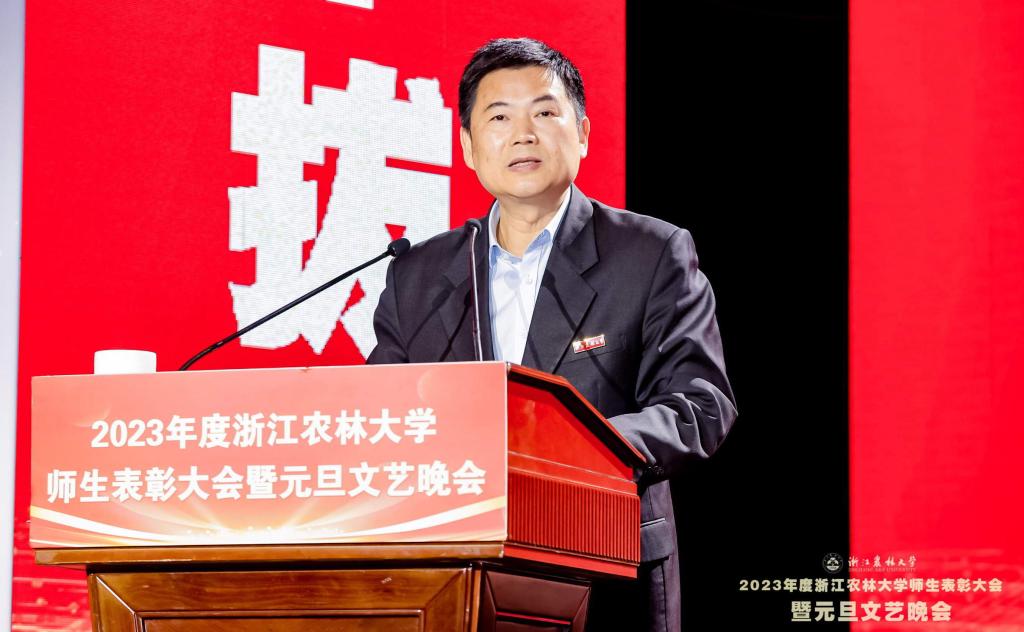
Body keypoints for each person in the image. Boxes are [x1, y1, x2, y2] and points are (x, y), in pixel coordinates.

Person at [366, 37, 737, 632]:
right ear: (468, 147)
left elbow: (700, 407)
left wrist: (571, 450)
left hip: (605, 568)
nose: (523, 134)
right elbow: (377, 417)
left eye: (544, 112)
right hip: (447, 571)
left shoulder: (650, 253)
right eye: (499, 118)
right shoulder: (419, 274)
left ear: (582, 133)